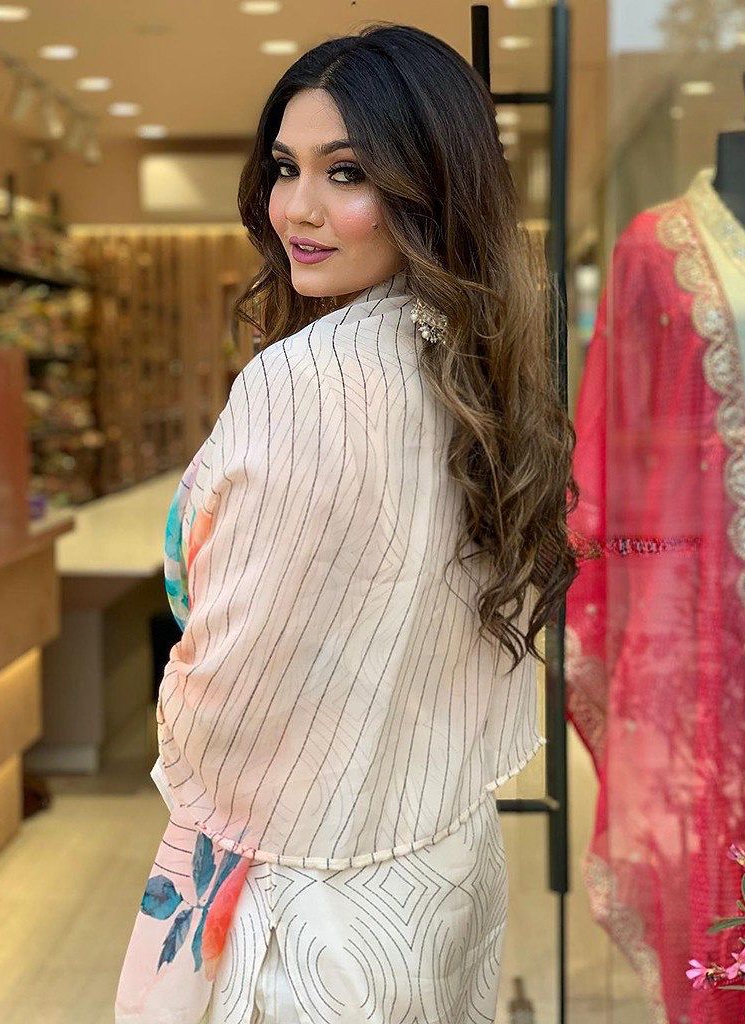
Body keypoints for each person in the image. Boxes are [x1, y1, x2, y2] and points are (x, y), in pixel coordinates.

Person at [116, 22, 577, 1024]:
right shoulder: (467, 362)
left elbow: (236, 685)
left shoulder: (308, 381)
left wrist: (188, 731)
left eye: (348, 171)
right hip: (436, 868)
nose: (298, 208)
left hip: (310, 899)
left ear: (430, 189)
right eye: (286, 168)